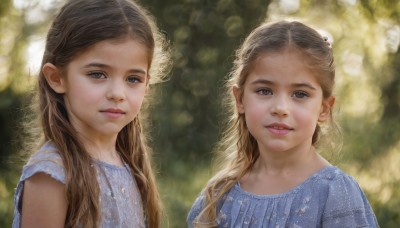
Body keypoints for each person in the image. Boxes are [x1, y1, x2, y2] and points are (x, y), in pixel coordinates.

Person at [187, 20, 378, 227]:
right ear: (240, 99)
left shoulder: (335, 195)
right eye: (264, 91)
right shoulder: (219, 196)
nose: (280, 108)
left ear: (324, 109)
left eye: (300, 94)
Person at [13, 0, 170, 227]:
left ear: (147, 86)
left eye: (133, 79)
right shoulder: (51, 174)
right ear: (57, 78)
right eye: (98, 74)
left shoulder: (131, 166)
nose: (118, 93)